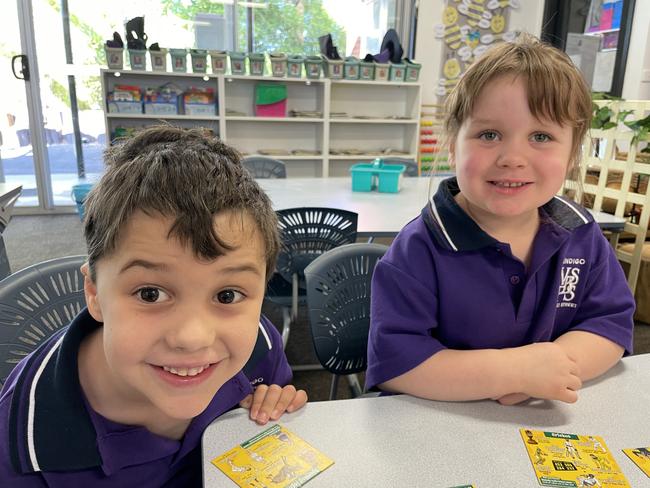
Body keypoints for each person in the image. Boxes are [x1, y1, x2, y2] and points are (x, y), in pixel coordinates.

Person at [0, 126, 307, 486]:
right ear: (94, 292)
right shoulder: (21, 441)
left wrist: (274, 399)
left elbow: (267, 427)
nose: (192, 337)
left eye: (227, 295)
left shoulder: (260, 347)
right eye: (150, 294)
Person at [365, 34, 634, 405]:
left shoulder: (582, 234)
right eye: (489, 134)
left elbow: (611, 324)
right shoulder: (417, 250)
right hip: (447, 435)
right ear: (453, 144)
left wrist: (549, 372)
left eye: (541, 136)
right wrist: (513, 372)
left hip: (550, 424)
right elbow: (398, 366)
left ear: (572, 154)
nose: (513, 157)